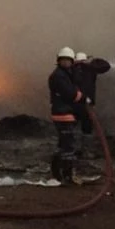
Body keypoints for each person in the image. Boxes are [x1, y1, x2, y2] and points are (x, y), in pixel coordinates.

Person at [49, 46, 83, 185]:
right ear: (59, 60)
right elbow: (71, 94)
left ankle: (57, 174)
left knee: (64, 145)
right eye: (63, 60)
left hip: (64, 114)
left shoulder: (65, 74)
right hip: (63, 115)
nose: (66, 62)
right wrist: (82, 96)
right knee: (68, 147)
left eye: (68, 60)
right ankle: (67, 177)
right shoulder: (59, 76)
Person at [72, 52, 111, 158]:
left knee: (87, 127)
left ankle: (85, 151)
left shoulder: (90, 69)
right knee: (72, 127)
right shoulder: (71, 70)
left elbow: (105, 66)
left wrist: (92, 62)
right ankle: (72, 150)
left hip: (87, 104)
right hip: (74, 103)